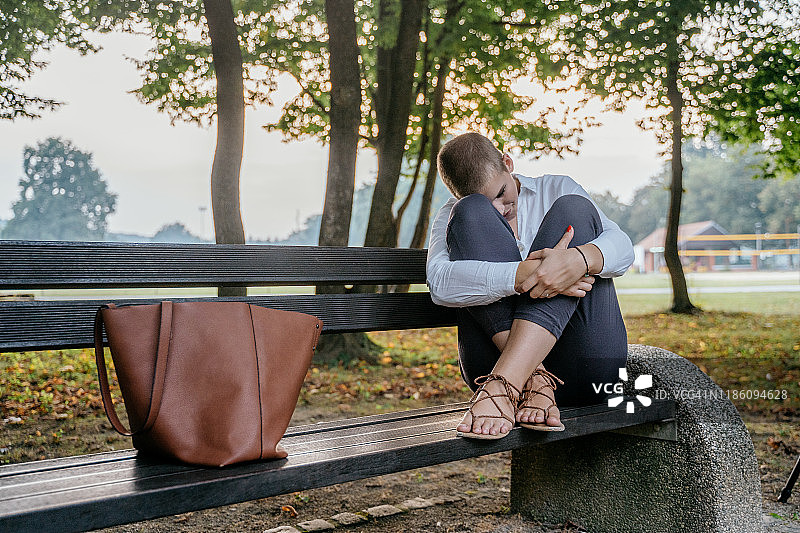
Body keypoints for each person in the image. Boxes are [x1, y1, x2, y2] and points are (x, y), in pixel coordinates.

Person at [426, 132, 634, 439]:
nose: (500, 209)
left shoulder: (556, 189)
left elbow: (623, 249)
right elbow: (440, 283)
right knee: (470, 213)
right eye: (489, 203)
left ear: (508, 163)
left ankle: (506, 383)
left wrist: (578, 261)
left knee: (574, 209)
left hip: (582, 366)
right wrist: (522, 276)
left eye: (500, 193)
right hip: (490, 364)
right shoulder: (455, 213)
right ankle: (531, 379)